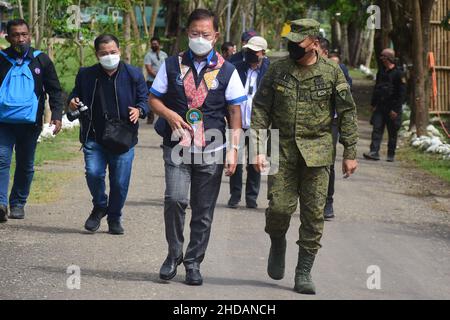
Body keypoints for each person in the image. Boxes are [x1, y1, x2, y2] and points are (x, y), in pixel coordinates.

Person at [251, 19, 358, 294]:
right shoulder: (277, 70)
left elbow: (347, 112)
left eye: (298, 41)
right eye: (290, 40)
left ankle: (303, 271)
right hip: (282, 151)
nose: (292, 46)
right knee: (278, 209)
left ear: (314, 42)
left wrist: (350, 151)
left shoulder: (332, 72)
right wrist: (258, 148)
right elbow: (261, 108)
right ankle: (277, 241)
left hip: (318, 153)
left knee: (313, 216)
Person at [149, 9, 246, 286]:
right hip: (177, 145)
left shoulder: (227, 70)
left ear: (216, 35)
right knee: (175, 200)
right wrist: (168, 115)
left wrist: (234, 149)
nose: (199, 38)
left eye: (205, 34)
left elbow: (235, 112)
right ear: (186, 34)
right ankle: (173, 254)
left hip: (212, 147)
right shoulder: (171, 64)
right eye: (194, 33)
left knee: (203, 211)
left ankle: (193, 263)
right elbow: (153, 99)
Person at [68, 34, 149, 235]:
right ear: (97, 55)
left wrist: (140, 110)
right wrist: (72, 101)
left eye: (113, 52)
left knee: (119, 183)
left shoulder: (133, 74)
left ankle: (114, 217)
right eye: (104, 53)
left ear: (119, 51)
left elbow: (145, 99)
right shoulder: (86, 74)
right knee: (93, 173)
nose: (109, 56)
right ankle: (100, 205)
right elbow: (74, 96)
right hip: (94, 136)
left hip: (123, 138)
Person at [0, 19, 63, 223]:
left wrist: (56, 115)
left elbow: (54, 89)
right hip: (3, 123)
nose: (21, 39)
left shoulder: (41, 60)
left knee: (26, 164)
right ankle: (1, 204)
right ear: (7, 37)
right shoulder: (1, 59)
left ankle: (18, 203)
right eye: (16, 35)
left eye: (24, 34)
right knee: (1, 160)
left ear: (30, 35)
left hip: (31, 124)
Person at [228, 36, 270, 209]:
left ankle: (251, 197)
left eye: (255, 51)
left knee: (255, 161)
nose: (251, 54)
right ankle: (235, 195)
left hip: (258, 124)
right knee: (235, 160)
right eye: (249, 51)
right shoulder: (237, 68)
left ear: (263, 53)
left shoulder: (270, 71)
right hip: (238, 122)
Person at [318, 40, 353, 220]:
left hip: (330, 122)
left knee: (328, 163)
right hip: (308, 124)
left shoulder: (338, 69)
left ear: (322, 50)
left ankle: (327, 202)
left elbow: (347, 101)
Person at [364, 48, 406, 162]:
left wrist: (395, 110)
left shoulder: (399, 73)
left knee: (392, 132)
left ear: (388, 58)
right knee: (377, 129)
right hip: (380, 107)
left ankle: (390, 154)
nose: (381, 58)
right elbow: (376, 88)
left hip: (392, 108)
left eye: (383, 56)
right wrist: (373, 104)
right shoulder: (381, 72)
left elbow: (401, 94)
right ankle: (374, 152)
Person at [144, 36, 168, 125]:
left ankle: (164, 117)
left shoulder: (164, 54)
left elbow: (167, 66)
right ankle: (150, 118)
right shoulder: (148, 55)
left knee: (164, 99)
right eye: (152, 44)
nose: (154, 45)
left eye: (155, 44)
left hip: (164, 81)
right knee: (150, 99)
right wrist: (159, 76)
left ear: (159, 44)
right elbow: (149, 69)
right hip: (151, 81)